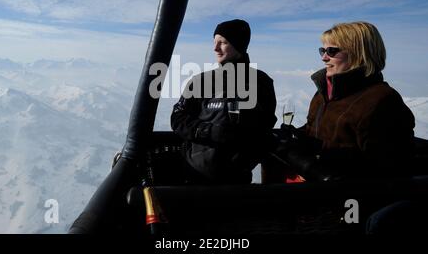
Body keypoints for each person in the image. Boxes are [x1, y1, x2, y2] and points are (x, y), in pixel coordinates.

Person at [274, 21, 415, 181]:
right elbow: (318, 129)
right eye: (322, 50)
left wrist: (317, 154)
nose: (324, 58)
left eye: (332, 51)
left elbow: (389, 170)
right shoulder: (324, 92)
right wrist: (297, 135)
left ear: (359, 54)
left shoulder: (383, 101)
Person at [171, 19, 277, 184]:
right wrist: (209, 131)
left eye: (223, 42)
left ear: (239, 45)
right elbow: (177, 119)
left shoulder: (261, 83)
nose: (215, 48)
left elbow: (266, 125)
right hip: (195, 177)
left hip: (237, 181)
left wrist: (245, 156)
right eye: (214, 42)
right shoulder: (201, 81)